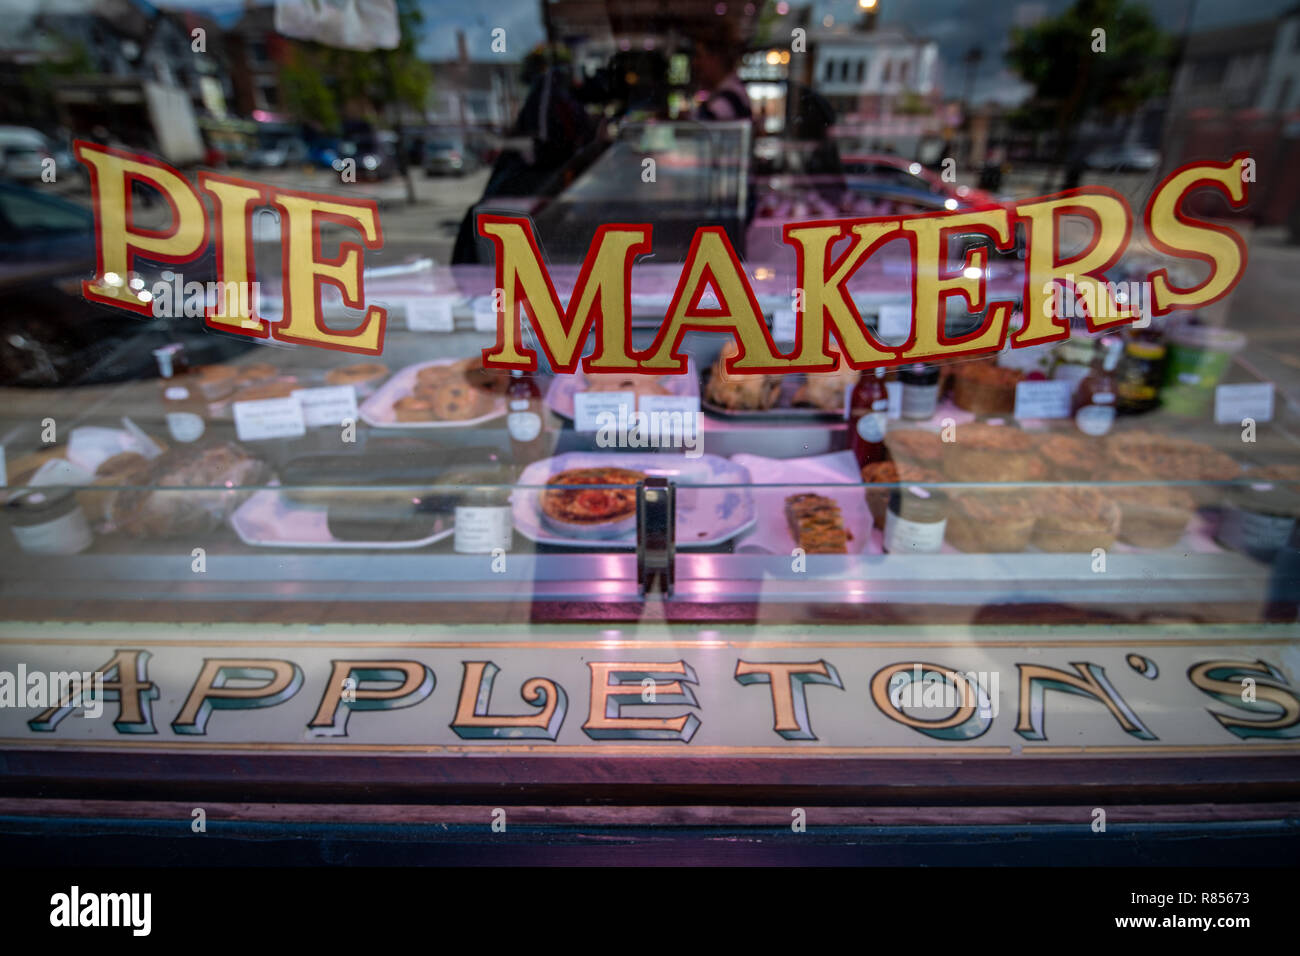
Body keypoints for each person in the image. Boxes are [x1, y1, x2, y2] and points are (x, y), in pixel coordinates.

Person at [691, 33, 752, 122]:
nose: (695, 63)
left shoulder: (727, 99)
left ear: (716, 59)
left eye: (699, 56)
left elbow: (703, 129)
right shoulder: (733, 91)